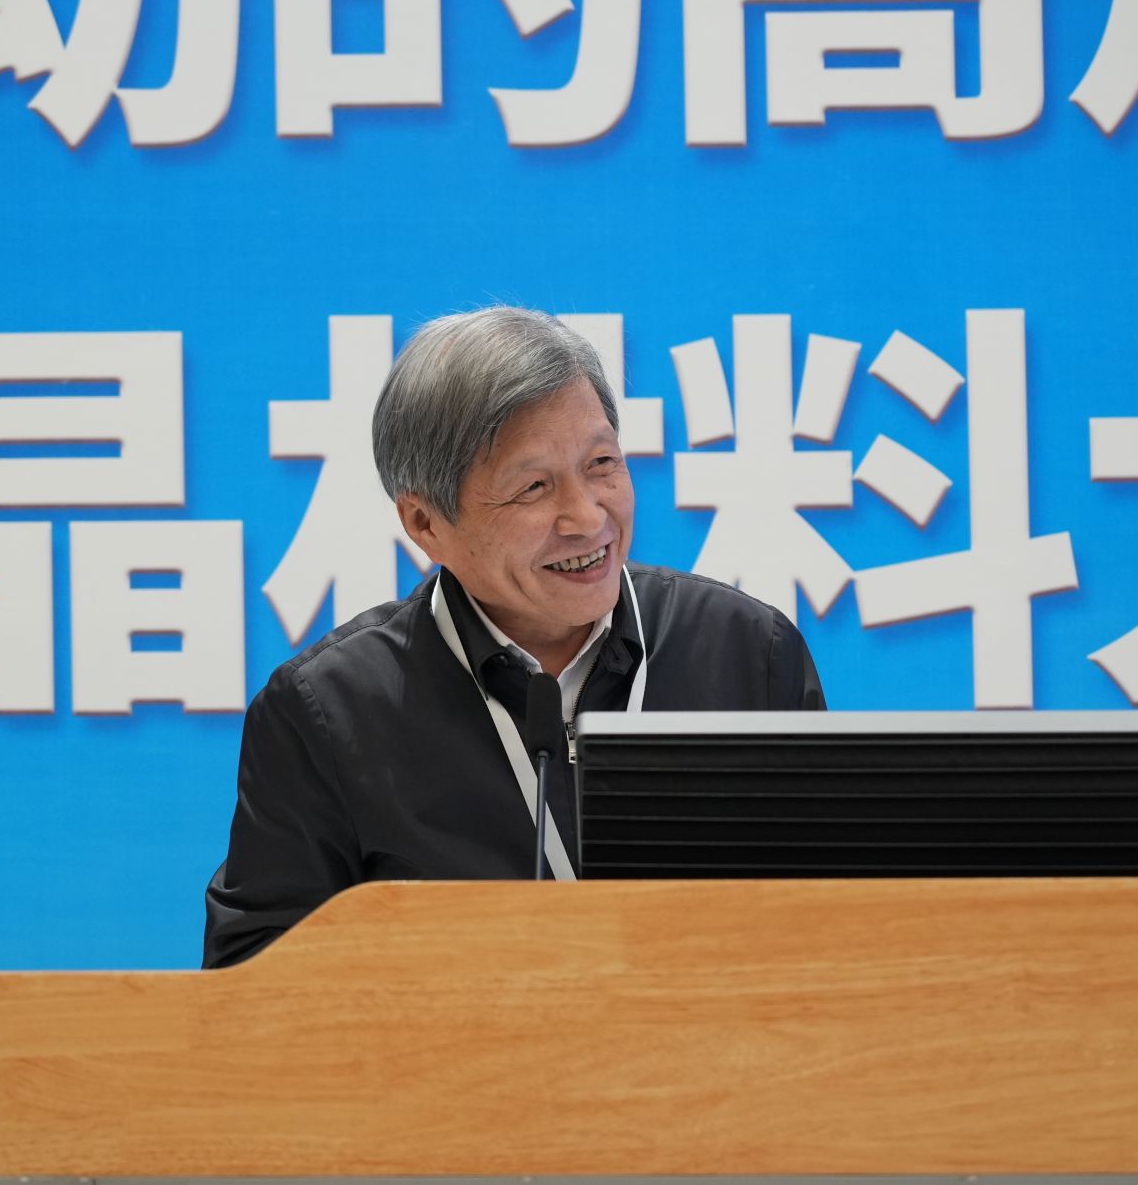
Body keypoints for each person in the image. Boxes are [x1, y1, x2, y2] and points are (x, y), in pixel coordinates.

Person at [203, 307, 824, 967]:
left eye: (602, 463)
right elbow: (253, 977)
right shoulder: (329, 713)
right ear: (425, 523)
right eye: (533, 488)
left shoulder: (747, 652)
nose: (587, 517)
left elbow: (845, 926)